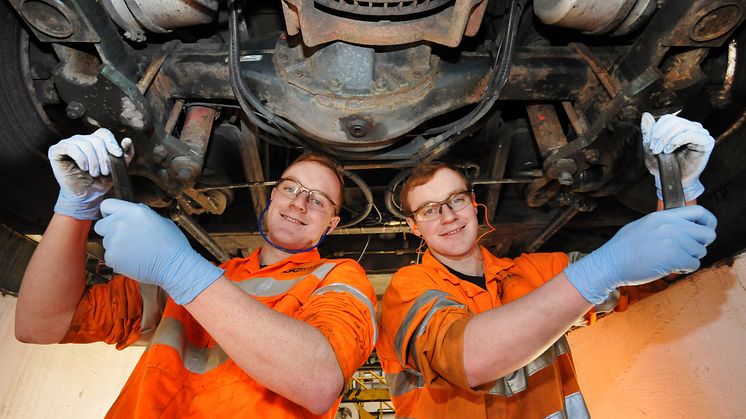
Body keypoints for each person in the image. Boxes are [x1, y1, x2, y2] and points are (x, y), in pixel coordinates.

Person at [15, 128, 378, 418]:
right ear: (271, 198)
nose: (299, 202)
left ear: (331, 224)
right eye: (290, 188)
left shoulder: (337, 277)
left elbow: (318, 381)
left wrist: (180, 270)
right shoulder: (207, 275)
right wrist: (75, 208)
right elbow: (40, 325)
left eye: (317, 200)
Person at [376, 113, 717, 418]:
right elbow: (469, 360)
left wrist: (677, 185)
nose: (448, 216)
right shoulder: (407, 291)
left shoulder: (538, 271)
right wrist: (601, 268)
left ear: (474, 204)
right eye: (430, 209)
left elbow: (653, 276)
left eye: (456, 200)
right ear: (414, 226)